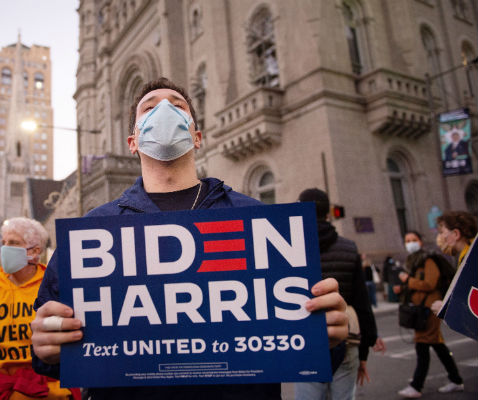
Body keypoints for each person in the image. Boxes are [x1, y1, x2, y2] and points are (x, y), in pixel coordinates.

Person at [30, 77, 348, 400]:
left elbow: (307, 341)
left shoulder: (256, 220)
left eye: (178, 105)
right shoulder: (95, 231)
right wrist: (45, 345)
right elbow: (57, 353)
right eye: (150, 108)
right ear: (133, 142)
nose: (165, 111)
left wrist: (330, 334)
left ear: (196, 137)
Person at [294, 188, 384, 400]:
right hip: (346, 338)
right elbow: (362, 303)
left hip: (305, 340)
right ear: (328, 213)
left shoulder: (292, 248)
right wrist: (365, 350)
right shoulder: (348, 248)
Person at [0, 217, 75, 400]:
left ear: (35, 251)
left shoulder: (55, 288)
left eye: (13, 242)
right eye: (4, 242)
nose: (5, 248)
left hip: (49, 390)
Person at [394, 231, 464, 398]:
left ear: (421, 242)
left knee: (423, 346)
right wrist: (403, 289)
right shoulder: (413, 262)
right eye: (407, 240)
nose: (410, 243)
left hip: (430, 308)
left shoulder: (428, 259)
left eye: (413, 240)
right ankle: (455, 379)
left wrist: (407, 281)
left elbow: (429, 283)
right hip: (421, 309)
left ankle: (416, 386)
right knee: (437, 345)